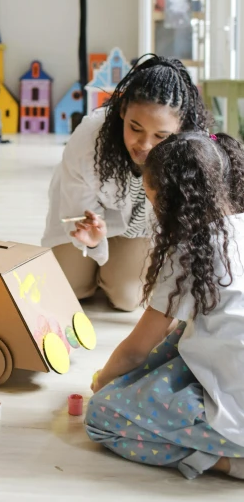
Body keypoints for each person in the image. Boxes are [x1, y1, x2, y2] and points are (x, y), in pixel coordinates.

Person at [86, 131, 244, 481]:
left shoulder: (189, 250)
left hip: (237, 419)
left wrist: (103, 385)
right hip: (232, 374)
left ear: (172, 202)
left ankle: (226, 462)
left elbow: (135, 351)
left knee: (102, 418)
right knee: (176, 337)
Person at [41, 56, 210, 311]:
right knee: (67, 287)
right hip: (89, 222)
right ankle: (95, 270)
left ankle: (109, 271)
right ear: (122, 111)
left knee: (127, 298)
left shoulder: (192, 152)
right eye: (135, 127)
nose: (144, 145)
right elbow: (76, 208)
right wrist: (93, 239)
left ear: (181, 128)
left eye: (161, 136)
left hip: (140, 232)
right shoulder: (89, 139)